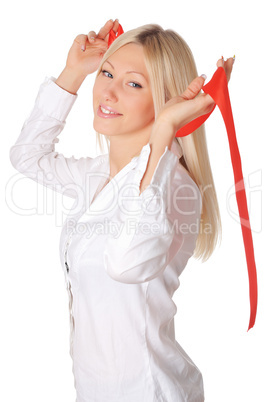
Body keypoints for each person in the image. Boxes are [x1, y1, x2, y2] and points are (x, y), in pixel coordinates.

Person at [10, 19, 234, 402]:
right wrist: (74, 72)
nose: (108, 92)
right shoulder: (97, 175)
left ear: (166, 101)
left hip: (150, 392)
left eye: (133, 83)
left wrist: (164, 131)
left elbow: (126, 264)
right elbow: (27, 157)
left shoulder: (174, 186)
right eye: (107, 73)